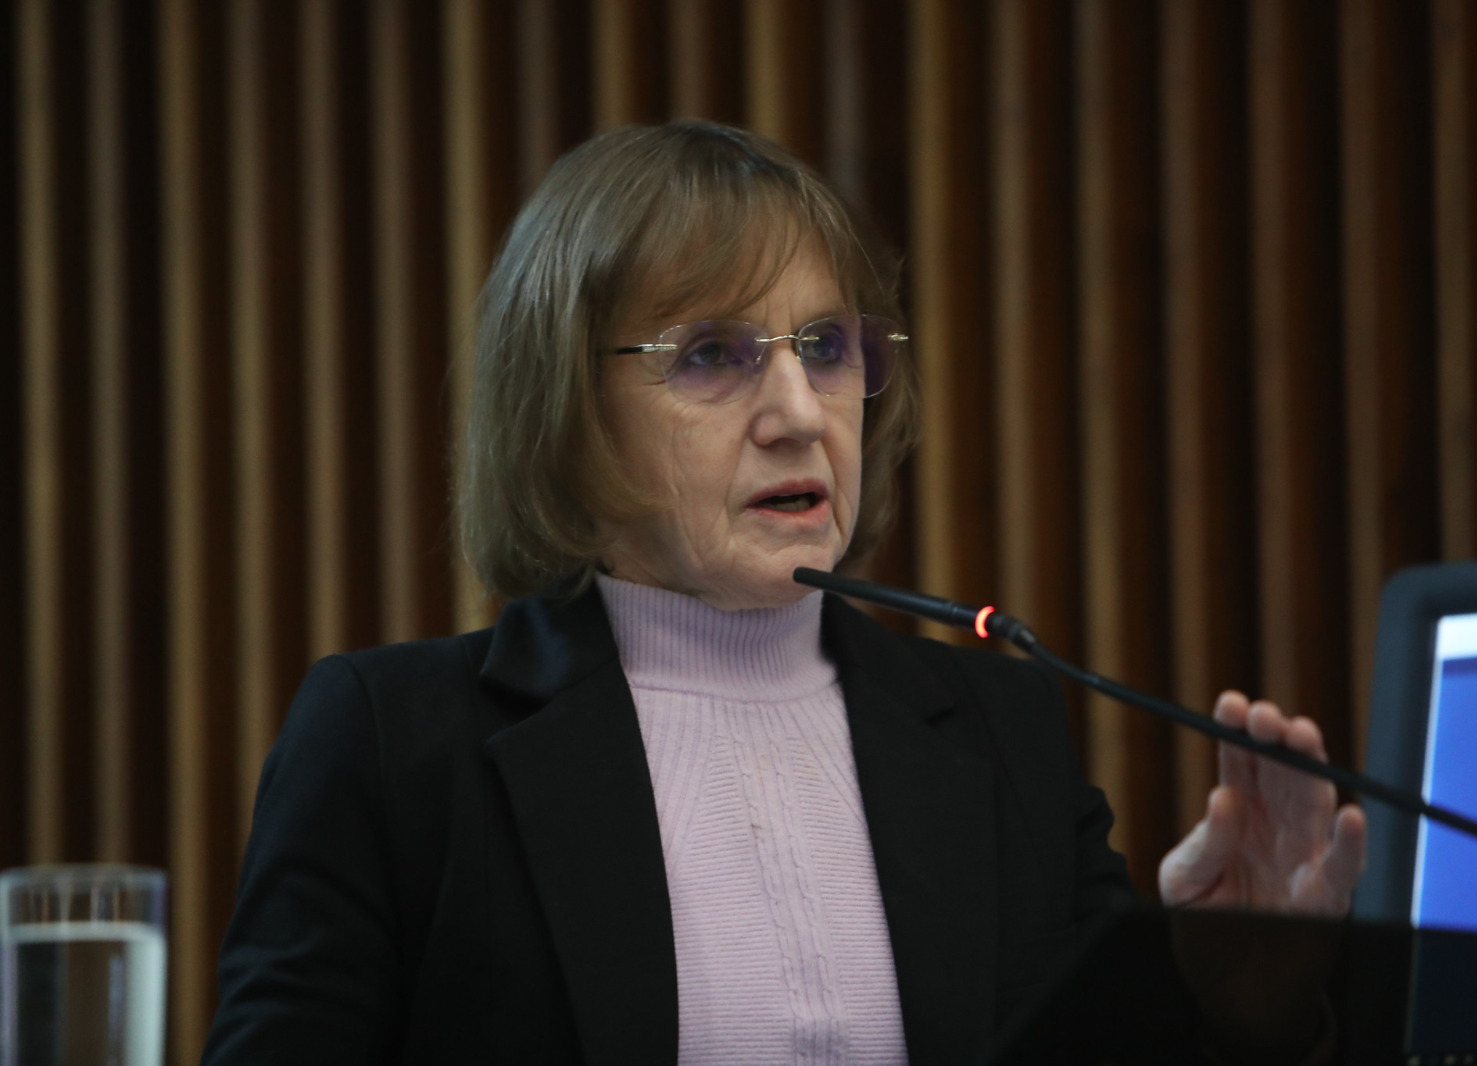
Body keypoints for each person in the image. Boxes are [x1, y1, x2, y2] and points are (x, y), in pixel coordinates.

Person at [201, 120, 1365, 1066]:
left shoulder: (999, 737)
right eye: (712, 353)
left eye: (825, 346)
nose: (799, 413)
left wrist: (1241, 1016)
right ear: (564, 410)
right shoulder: (394, 745)